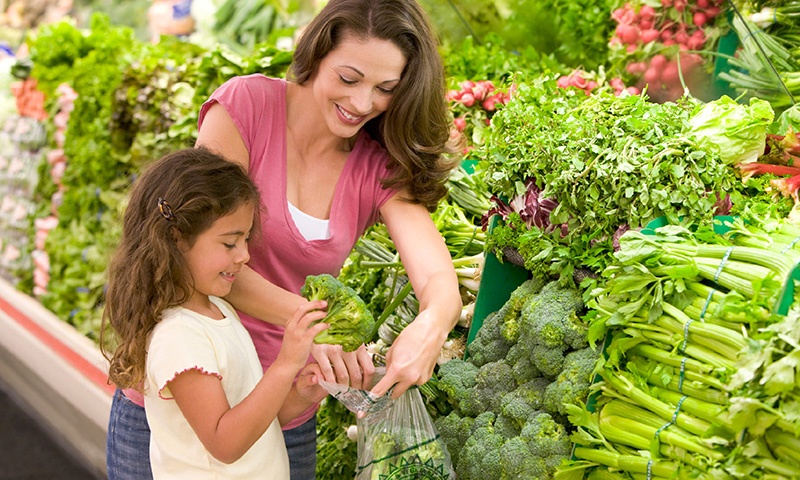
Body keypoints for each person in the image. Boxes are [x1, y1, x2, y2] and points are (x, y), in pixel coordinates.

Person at [195, 0, 464, 477]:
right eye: (349, 78)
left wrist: (432, 325)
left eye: (386, 89)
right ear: (317, 52)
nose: (363, 103)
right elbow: (201, 256)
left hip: (285, 407)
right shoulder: (244, 107)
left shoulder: (376, 164)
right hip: (192, 391)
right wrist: (316, 326)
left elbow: (437, 276)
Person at [101, 147, 329, 479]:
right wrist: (286, 365)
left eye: (247, 240)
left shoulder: (218, 309)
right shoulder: (179, 337)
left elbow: (250, 424)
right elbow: (225, 443)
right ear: (177, 240)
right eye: (230, 243)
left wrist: (297, 396)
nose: (245, 256)